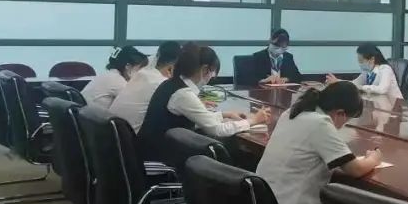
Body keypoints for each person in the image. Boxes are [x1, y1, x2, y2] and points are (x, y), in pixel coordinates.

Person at [256, 82, 381, 204]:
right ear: (340, 113)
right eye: (346, 121)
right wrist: (374, 159)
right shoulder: (320, 123)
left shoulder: (292, 112)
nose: (342, 127)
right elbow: (356, 169)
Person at [138, 42, 268, 158]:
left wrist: (224, 115)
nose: (211, 77)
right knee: (230, 149)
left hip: (154, 150)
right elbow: (217, 130)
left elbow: (198, 119)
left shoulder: (172, 84)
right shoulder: (183, 94)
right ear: (205, 69)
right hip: (160, 156)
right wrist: (253, 120)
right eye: (212, 72)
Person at [109, 41, 181, 132]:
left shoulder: (142, 74)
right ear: (171, 68)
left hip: (113, 132)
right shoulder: (161, 83)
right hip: (128, 136)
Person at [81, 46, 148, 109]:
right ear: (128, 66)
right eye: (139, 69)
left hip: (84, 113)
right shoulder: (117, 80)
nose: (140, 73)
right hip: (90, 116)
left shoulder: (110, 74)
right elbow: (136, 102)